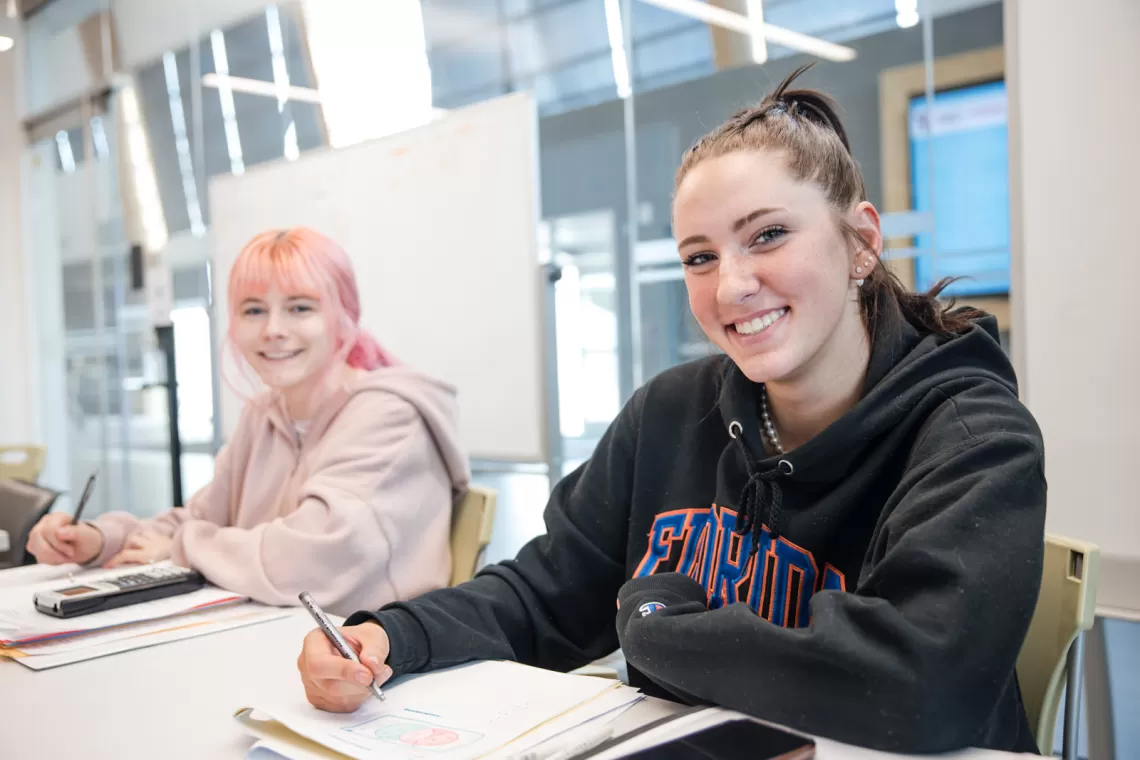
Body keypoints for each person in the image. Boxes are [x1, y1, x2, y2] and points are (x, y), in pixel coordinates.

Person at [296, 67, 1046, 753]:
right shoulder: (670, 413)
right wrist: (390, 636)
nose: (732, 286)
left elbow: (921, 684)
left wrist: (656, 622)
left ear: (862, 241)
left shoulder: (972, 434)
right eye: (700, 256)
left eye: (769, 235)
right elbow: (545, 593)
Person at [27, 227, 470, 616]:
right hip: (276, 637)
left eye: (300, 308)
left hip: (373, 666)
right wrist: (101, 538)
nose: (273, 329)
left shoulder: (389, 416)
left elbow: (309, 559)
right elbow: (200, 518)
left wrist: (183, 550)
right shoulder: (264, 414)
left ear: (344, 319)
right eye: (253, 310)